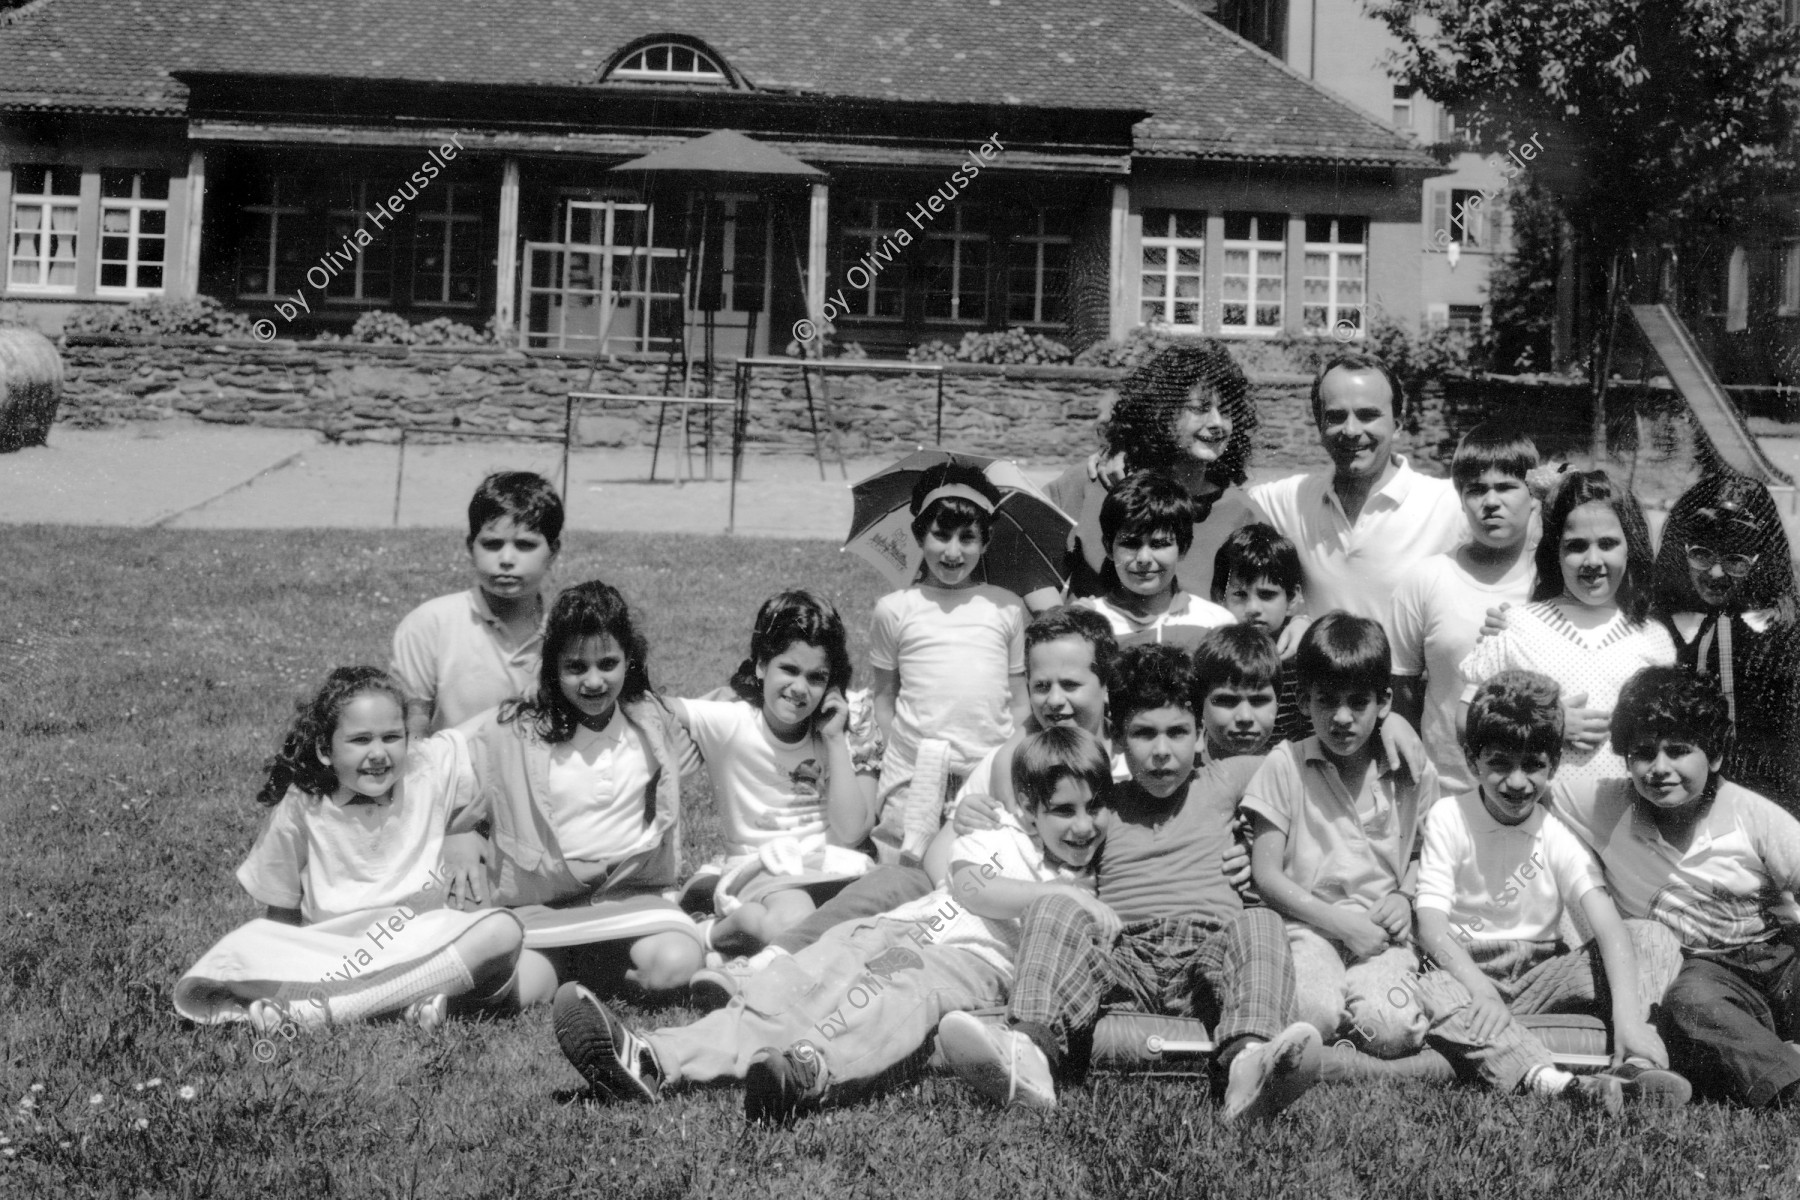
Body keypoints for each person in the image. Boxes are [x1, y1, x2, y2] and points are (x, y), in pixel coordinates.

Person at [548, 725, 1110, 1122]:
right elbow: (968, 886)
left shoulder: (1090, 884)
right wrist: (1052, 889)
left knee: (887, 1001)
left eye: (1093, 808)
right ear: (1031, 807)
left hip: (966, 961)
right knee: (792, 988)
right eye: (1064, 810)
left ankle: (811, 1070)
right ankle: (654, 1057)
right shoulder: (998, 835)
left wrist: (1068, 894)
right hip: (895, 930)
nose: (1082, 826)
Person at [937, 643, 1322, 1123]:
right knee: (1056, 905)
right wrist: (974, 810)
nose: (1162, 751)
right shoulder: (1100, 805)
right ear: (1116, 738)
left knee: (1261, 922)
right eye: (1143, 734)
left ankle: (1249, 1064)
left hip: (1207, 957)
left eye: (1178, 733)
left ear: (1201, 735)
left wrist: (1392, 726)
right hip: (1124, 957)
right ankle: (1028, 1054)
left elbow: (1309, 753)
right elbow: (1034, 812)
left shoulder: (1225, 778)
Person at [694, 608, 1121, 1009]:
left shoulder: (1123, 765)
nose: (1054, 701)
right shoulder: (1012, 760)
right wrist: (958, 870)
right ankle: (771, 962)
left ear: (1106, 685)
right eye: (1041, 686)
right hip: (966, 892)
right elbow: (938, 856)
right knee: (891, 882)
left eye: (1070, 685)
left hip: (1022, 925)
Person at [175, 667, 524, 1034]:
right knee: (239, 954)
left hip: (418, 939)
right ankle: (411, 999)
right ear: (325, 750)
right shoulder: (303, 803)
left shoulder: (426, 769)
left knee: (502, 930)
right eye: (360, 740)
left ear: (409, 739)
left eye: (392, 737)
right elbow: (281, 907)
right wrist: (277, 961)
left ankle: (323, 1011)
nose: (378, 753)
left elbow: (485, 726)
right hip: (331, 951)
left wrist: (534, 691)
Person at [1407, 670, 1688, 1110]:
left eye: (1533, 765)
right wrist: (1479, 989)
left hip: (1539, 972)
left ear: (1553, 765)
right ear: (1471, 759)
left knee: (1653, 938)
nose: (1517, 782)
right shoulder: (1449, 816)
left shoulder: (1553, 833)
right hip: (1466, 969)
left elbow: (1609, 927)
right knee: (1434, 990)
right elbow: (1431, 927)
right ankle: (1555, 1084)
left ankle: (1633, 1061)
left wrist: (1628, 1018)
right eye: (1500, 762)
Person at [1551, 667, 1800, 1108]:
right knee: (1687, 1002)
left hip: (1780, 957)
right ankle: (1789, 1081)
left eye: (1679, 751)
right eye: (1644, 753)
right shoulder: (1607, 805)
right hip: (1710, 974)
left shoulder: (1749, 814)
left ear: (1716, 757)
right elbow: (1524, 779)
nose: (1660, 769)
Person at [449, 581, 706, 1008]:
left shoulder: (651, 719)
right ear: (552, 667)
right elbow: (445, 764)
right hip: (545, 904)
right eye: (575, 667)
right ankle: (577, 965)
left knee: (675, 968)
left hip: (631, 896)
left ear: (629, 660)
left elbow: (731, 714)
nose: (593, 681)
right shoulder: (514, 729)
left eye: (608, 663)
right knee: (510, 995)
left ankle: (591, 963)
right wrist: (456, 832)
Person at [1242, 612, 1438, 1056]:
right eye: (1327, 701)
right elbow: (1267, 875)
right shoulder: (1285, 764)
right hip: (1308, 928)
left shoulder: (1410, 771)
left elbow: (1428, 854)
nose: (1342, 718)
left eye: (1357, 702)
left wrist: (1405, 897)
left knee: (1393, 1029)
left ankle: (1356, 1020)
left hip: (1382, 935)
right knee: (1310, 1012)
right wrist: (1340, 924)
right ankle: (1335, 1019)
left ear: (1384, 702)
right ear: (1306, 700)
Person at [670, 591, 881, 957]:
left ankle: (736, 923)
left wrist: (833, 740)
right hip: (763, 866)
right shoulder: (731, 721)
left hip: (831, 868)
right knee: (795, 924)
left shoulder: (842, 728)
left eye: (816, 677)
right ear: (762, 665)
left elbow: (850, 832)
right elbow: (649, 706)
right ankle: (713, 934)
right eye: (789, 669)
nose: (800, 688)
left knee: (873, 926)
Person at [1459, 468, 1675, 789]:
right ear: (1554, 552)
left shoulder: (1653, 638)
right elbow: (1466, 720)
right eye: (1575, 546)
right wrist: (1546, 724)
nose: (1592, 560)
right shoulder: (1519, 628)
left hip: (1624, 822)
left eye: (1608, 543)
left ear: (1631, 547)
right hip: (1538, 818)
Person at [867, 462, 1028, 866]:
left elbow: (1020, 701)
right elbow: (884, 699)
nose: (953, 551)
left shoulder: (1005, 607)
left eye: (967, 538)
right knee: (901, 871)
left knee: (973, 874)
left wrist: (1003, 763)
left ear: (985, 542)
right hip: (914, 774)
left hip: (985, 772)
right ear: (921, 534)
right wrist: (903, 756)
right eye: (941, 535)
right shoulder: (896, 609)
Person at [1246, 353, 1465, 640]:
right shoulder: (1292, 499)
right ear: (1320, 426)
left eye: (1368, 415)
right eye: (1336, 417)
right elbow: (1218, 505)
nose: (1351, 430)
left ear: (1397, 425)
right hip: (1322, 683)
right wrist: (1296, 617)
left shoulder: (1449, 504)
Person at [1034, 340, 1261, 611]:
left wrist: (1298, 622)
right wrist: (1057, 617)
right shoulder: (1096, 483)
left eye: (1226, 412)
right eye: (1200, 408)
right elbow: (1024, 559)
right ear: (1161, 412)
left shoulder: (1241, 513)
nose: (1216, 423)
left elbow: (1273, 595)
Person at [1390, 425, 1540, 797]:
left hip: (1537, 796)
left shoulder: (1554, 582)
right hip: (1444, 794)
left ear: (1533, 495)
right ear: (1460, 498)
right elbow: (1401, 690)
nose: (1490, 501)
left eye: (1506, 487)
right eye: (1475, 489)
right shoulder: (1427, 579)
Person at [1650, 474, 1800, 810]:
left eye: (1736, 561)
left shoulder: (1784, 632)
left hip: (1764, 799)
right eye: (1701, 555)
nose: (1716, 574)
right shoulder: (1656, 623)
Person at [391, 471, 562, 733]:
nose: (506, 559)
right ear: (471, 547)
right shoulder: (429, 625)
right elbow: (412, 729)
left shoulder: (568, 630)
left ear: (553, 551)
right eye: (492, 544)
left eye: (525, 545)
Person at [1073, 470, 1235, 648]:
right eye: (1131, 544)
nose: (1143, 559)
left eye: (1159, 544)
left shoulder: (1215, 623)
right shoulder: (1089, 624)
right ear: (1108, 547)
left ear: (1183, 547)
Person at [1212, 523, 1311, 744]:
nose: (1253, 608)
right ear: (1220, 597)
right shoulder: (1213, 654)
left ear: (1292, 598)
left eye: (1266, 595)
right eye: (1240, 594)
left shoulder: (1303, 651)